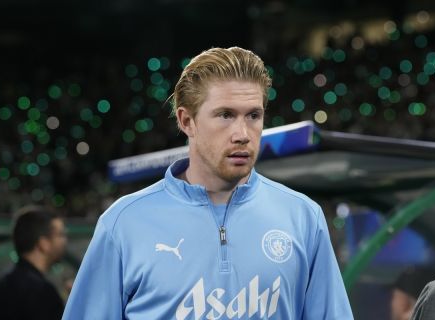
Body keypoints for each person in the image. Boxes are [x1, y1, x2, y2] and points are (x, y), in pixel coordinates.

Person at [63, 46, 353, 319]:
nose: (242, 133)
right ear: (187, 121)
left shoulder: (303, 217)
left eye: (253, 115)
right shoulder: (123, 224)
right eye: (225, 115)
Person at [0, 205, 67, 320]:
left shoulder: (4, 283)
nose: (65, 240)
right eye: (61, 235)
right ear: (44, 244)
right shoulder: (42, 292)